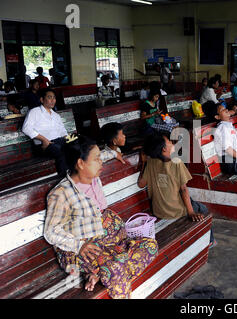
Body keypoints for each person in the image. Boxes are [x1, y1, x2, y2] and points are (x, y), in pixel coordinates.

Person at [44, 135, 158, 299]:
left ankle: (98, 273)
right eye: (96, 159)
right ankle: (104, 272)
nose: (101, 161)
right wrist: (79, 245)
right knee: (115, 269)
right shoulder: (61, 194)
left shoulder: (92, 175)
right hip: (83, 249)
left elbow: (104, 154)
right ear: (81, 163)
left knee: (150, 245)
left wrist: (113, 153)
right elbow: (51, 232)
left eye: (100, 157)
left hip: (111, 241)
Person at [137, 132, 216, 247]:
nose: (172, 143)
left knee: (193, 202)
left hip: (159, 210)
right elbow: (183, 189)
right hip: (175, 211)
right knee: (202, 208)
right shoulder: (177, 162)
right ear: (164, 149)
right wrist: (190, 212)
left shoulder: (151, 162)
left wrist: (143, 162)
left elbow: (141, 184)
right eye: (169, 142)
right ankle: (210, 241)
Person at [22, 88, 69, 176]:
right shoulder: (34, 112)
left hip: (58, 141)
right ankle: (64, 178)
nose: (52, 100)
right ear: (42, 99)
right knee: (60, 152)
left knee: (76, 146)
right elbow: (26, 128)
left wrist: (69, 140)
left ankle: (75, 176)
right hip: (43, 145)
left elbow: (63, 131)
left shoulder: (56, 115)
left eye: (54, 97)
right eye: (49, 97)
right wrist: (44, 140)